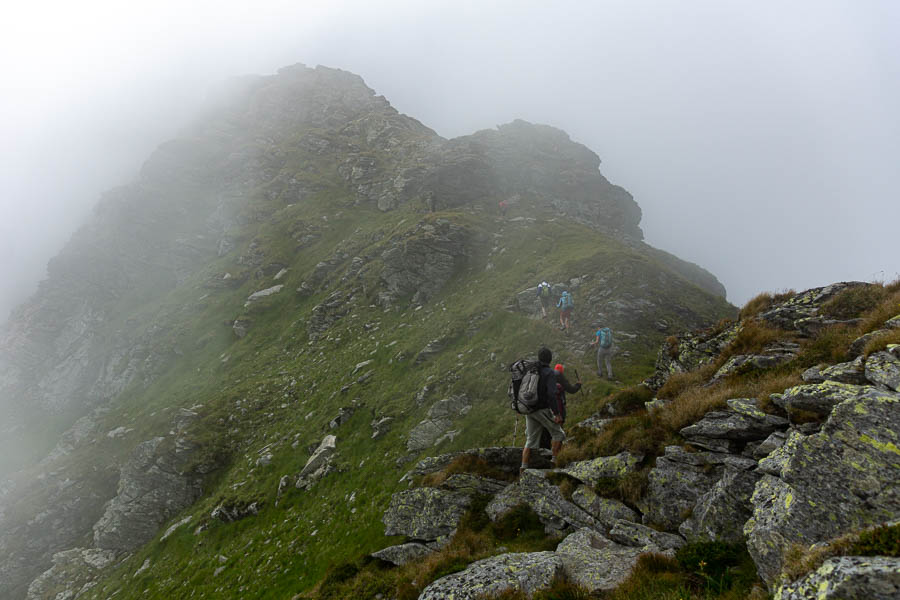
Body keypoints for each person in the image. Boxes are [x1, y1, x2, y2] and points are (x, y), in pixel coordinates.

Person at [521, 347, 565, 471]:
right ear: (550, 359)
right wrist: (557, 413)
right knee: (558, 434)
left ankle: (523, 468)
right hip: (542, 409)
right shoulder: (549, 372)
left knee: (530, 440)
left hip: (529, 409)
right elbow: (552, 394)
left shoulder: (532, 369)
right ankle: (554, 462)